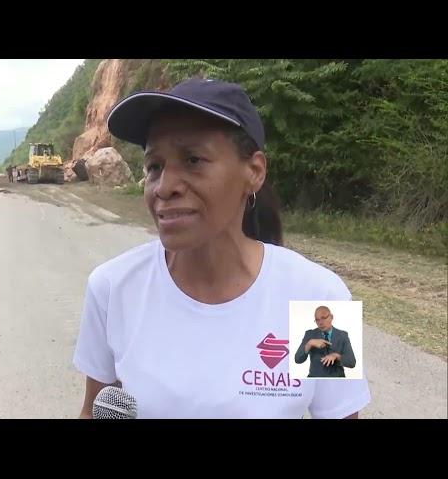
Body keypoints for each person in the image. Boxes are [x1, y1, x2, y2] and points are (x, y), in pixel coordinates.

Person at [72, 78, 371, 419]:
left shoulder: (319, 297)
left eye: (194, 160)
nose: (164, 187)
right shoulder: (112, 288)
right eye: (154, 166)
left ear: (254, 171)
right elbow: (95, 412)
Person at [294, 305, 357, 378]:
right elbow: (297, 359)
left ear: (331, 317)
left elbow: (352, 362)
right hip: (315, 379)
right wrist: (309, 344)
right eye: (317, 320)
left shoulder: (343, 335)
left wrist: (336, 356)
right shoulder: (310, 334)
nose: (320, 323)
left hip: (337, 379)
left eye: (323, 318)